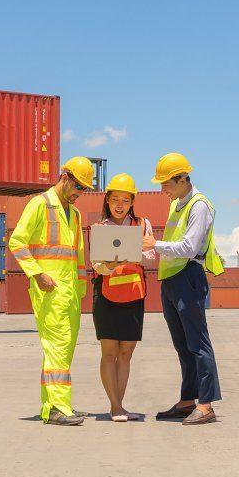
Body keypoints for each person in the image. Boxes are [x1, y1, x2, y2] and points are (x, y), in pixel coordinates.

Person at [8, 157, 93, 426]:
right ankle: (59, 407)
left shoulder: (76, 214)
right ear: (65, 177)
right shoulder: (39, 204)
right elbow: (17, 242)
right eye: (78, 186)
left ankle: (50, 407)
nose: (80, 192)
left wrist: (80, 288)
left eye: (85, 189)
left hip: (69, 293)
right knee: (57, 346)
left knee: (62, 350)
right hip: (49, 290)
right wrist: (36, 273)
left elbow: (78, 256)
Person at [142, 153, 225, 426]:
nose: (162, 189)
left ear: (182, 179)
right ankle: (188, 399)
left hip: (188, 277)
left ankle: (206, 404)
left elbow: (188, 248)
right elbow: (172, 245)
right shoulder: (177, 204)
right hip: (171, 278)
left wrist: (154, 245)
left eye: (165, 183)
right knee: (183, 346)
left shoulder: (199, 206)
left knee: (198, 344)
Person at [90, 173, 156, 422]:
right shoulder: (99, 228)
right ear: (107, 200)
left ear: (132, 202)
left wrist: (133, 254)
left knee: (126, 353)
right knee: (109, 352)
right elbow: (96, 265)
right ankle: (115, 406)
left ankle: (121, 405)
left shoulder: (142, 224)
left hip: (133, 295)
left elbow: (151, 256)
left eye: (125, 200)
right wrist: (108, 264)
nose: (120, 205)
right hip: (106, 296)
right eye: (115, 199)